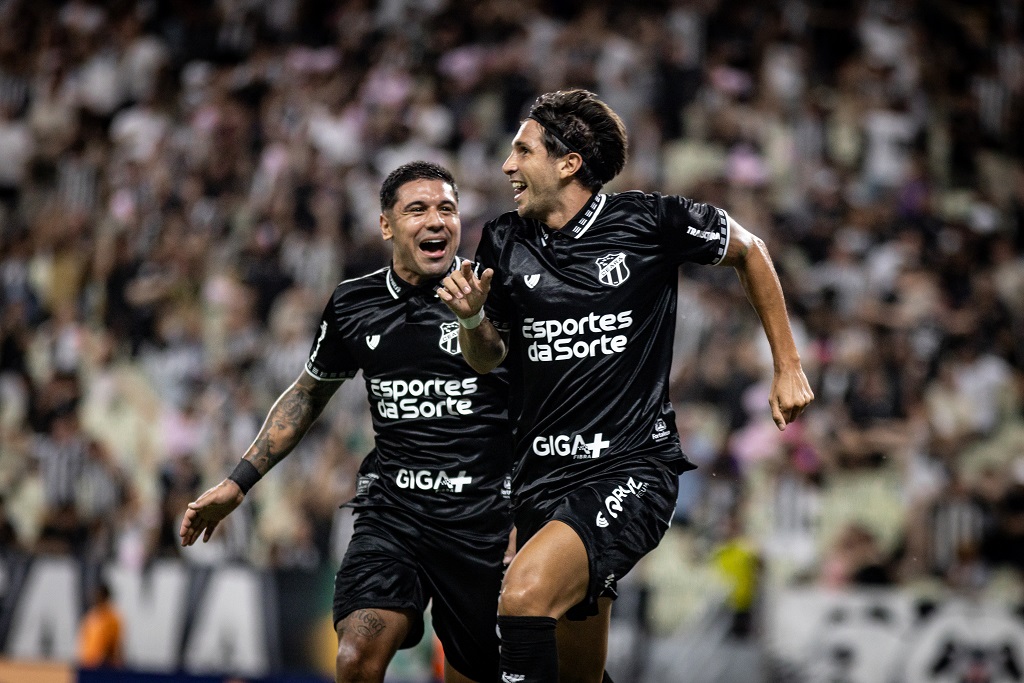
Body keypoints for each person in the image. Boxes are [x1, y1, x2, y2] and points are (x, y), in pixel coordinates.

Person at [438, 89, 814, 683]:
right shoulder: (504, 240)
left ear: (569, 163)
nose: (507, 166)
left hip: (630, 470)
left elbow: (751, 250)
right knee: (573, 672)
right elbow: (488, 360)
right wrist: (471, 320)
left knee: (523, 596)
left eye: (523, 151)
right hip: (539, 480)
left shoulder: (650, 221)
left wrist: (787, 364)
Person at [180, 161, 515, 683]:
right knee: (355, 658)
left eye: (447, 209)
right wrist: (238, 482)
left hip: (482, 519)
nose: (436, 221)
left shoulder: (493, 289)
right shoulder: (353, 303)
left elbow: (492, 360)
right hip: (394, 515)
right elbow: (308, 395)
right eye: (417, 209)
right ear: (386, 225)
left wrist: (471, 315)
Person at [77, 579, 124, 668]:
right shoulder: (90, 617)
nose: (95, 598)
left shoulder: (112, 618)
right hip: (88, 664)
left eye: (98, 595)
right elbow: (84, 642)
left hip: (105, 667)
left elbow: (114, 645)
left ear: (104, 597)